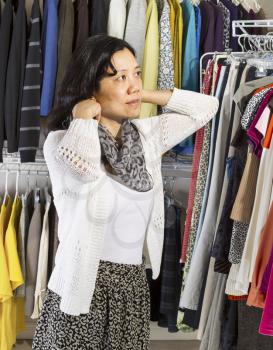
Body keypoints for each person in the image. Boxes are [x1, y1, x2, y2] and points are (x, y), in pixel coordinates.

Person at [32, 34, 219, 349]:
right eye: (119, 77)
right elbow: (86, 167)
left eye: (136, 72)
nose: (133, 83)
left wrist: (139, 93)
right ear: (91, 86)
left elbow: (207, 108)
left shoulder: (147, 136)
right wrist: (82, 118)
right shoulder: (61, 143)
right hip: (83, 286)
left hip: (132, 288)